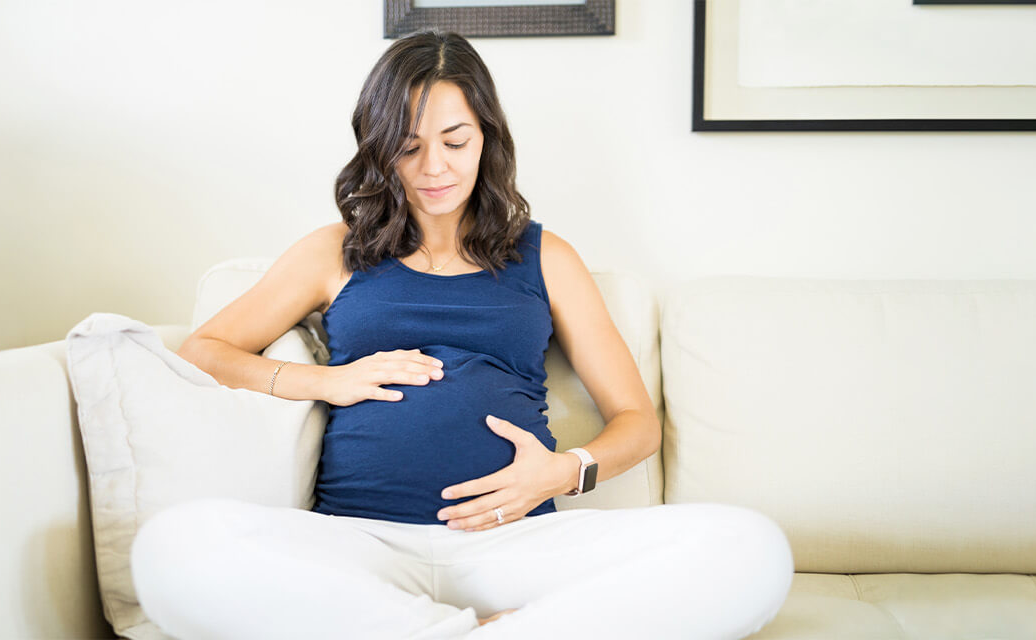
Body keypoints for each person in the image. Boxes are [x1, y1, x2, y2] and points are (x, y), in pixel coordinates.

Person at [129, 29, 794, 640]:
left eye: (455, 140)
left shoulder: (545, 256)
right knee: (171, 547)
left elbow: (636, 424)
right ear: (378, 143)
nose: (433, 168)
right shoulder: (334, 251)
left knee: (751, 548)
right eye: (409, 146)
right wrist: (326, 380)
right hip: (361, 547)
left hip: (518, 546)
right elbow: (204, 351)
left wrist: (564, 471)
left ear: (488, 138)